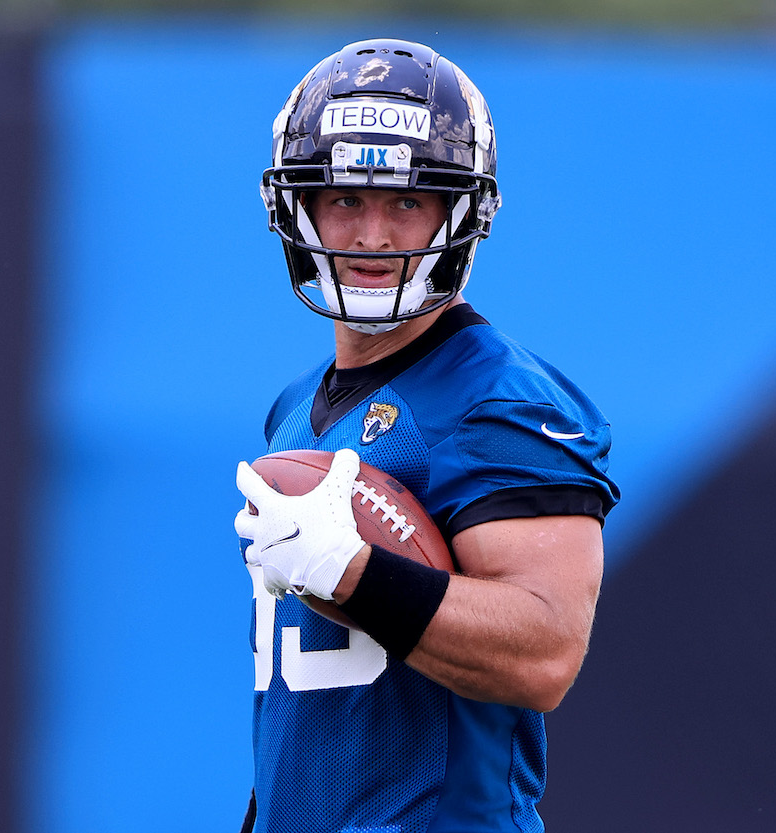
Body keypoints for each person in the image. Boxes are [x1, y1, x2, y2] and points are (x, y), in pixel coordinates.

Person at [233, 37, 620, 833]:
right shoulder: (294, 407)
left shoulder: (500, 398)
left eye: (407, 202)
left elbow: (545, 650)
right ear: (295, 208)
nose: (373, 235)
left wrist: (352, 571)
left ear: (461, 213)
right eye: (345, 199)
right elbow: (308, 719)